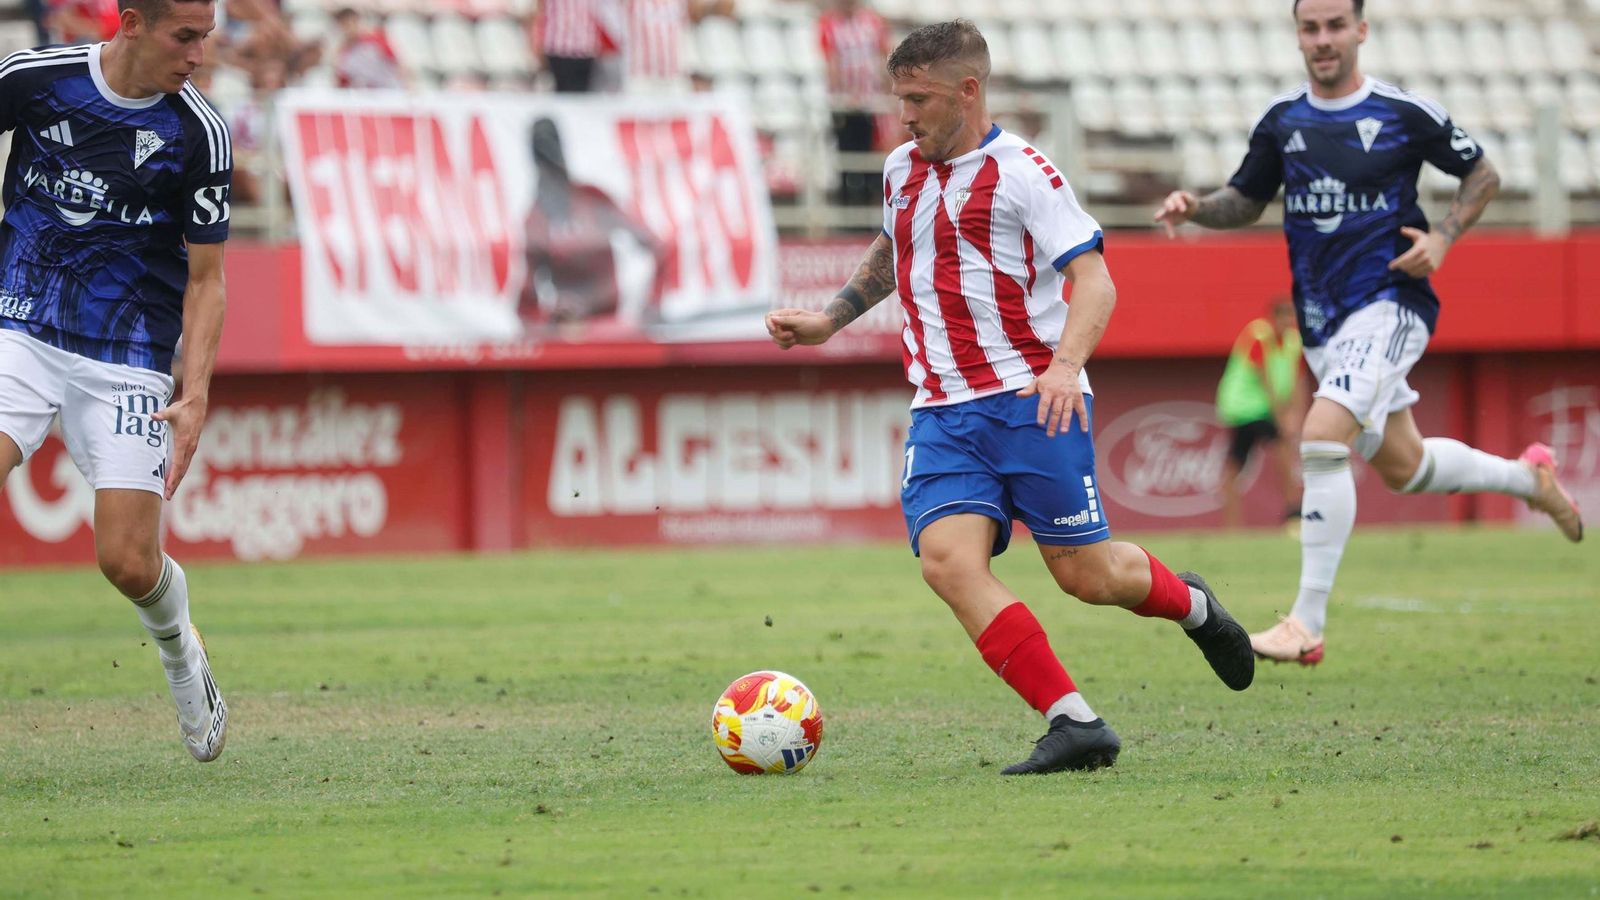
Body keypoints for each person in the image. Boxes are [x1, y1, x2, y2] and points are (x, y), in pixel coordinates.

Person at [767, 20, 1254, 775]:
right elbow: (896, 247)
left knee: (1088, 577)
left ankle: (1193, 606)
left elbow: (1096, 280)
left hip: (1031, 401)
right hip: (941, 410)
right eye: (900, 99)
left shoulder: (1025, 172)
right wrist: (831, 319)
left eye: (919, 99)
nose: (904, 116)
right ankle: (1074, 721)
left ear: (968, 91)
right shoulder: (899, 168)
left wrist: (1065, 367)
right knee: (946, 562)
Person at [1155, 0, 1583, 667]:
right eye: (1311, 28)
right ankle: (1531, 480)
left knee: (1323, 434)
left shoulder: (1402, 113)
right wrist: (1197, 208)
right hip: (1324, 323)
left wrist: (1444, 237)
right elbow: (1245, 199)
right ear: (1299, 35)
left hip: (1390, 303)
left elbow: (1483, 173)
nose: (1323, 39)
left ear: (1361, 30)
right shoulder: (1283, 121)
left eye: (1335, 26)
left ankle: (1306, 623)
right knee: (1406, 467)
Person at [0, 0, 232, 761]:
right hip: (19, 327)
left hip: (126, 353)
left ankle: (181, 652)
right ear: (131, 23)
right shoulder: (33, 79)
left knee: (127, 561)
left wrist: (194, 396)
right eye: (185, 37)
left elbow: (208, 280)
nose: (198, 55)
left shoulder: (198, 132)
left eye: (205, 38)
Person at [519, 117, 666, 337]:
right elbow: (526, 299)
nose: (548, 166)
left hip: (608, 327)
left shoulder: (592, 200)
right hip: (567, 333)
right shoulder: (536, 221)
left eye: (549, 153)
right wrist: (547, 327)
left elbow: (655, 245)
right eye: (541, 155)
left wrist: (651, 305)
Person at [1216, 299, 1305, 530]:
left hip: (1265, 410)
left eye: (1291, 317)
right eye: (1283, 317)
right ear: (1272, 318)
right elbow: (1265, 379)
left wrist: (1296, 415)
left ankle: (1292, 512)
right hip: (1245, 409)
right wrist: (1282, 418)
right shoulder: (1259, 335)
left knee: (1240, 462)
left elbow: (1298, 380)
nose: (1287, 322)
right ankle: (1292, 512)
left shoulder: (1293, 341)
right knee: (1276, 449)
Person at [818, 0, 890, 206]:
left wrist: (886, 93)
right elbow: (831, 63)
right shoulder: (829, 24)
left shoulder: (872, 22)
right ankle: (848, 202)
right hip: (844, 104)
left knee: (870, 156)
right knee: (846, 156)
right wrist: (842, 95)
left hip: (871, 104)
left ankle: (869, 202)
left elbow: (883, 57)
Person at [330, 6, 404, 90]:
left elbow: (397, 64)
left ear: (357, 22)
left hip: (388, 90)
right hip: (363, 93)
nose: (348, 29)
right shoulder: (342, 52)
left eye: (349, 24)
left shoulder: (376, 39)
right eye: (343, 26)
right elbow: (342, 81)